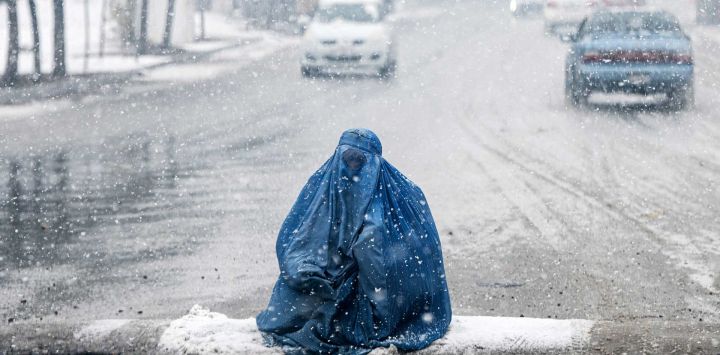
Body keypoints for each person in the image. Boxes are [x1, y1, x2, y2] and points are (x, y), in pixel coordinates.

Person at [257, 128, 452, 354]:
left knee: (369, 249)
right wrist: (309, 270)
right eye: (347, 159)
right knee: (297, 297)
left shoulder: (401, 197)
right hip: (333, 275)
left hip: (382, 291)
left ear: (374, 162)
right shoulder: (322, 188)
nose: (352, 167)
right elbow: (295, 238)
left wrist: (377, 306)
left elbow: (391, 262)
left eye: (359, 160)